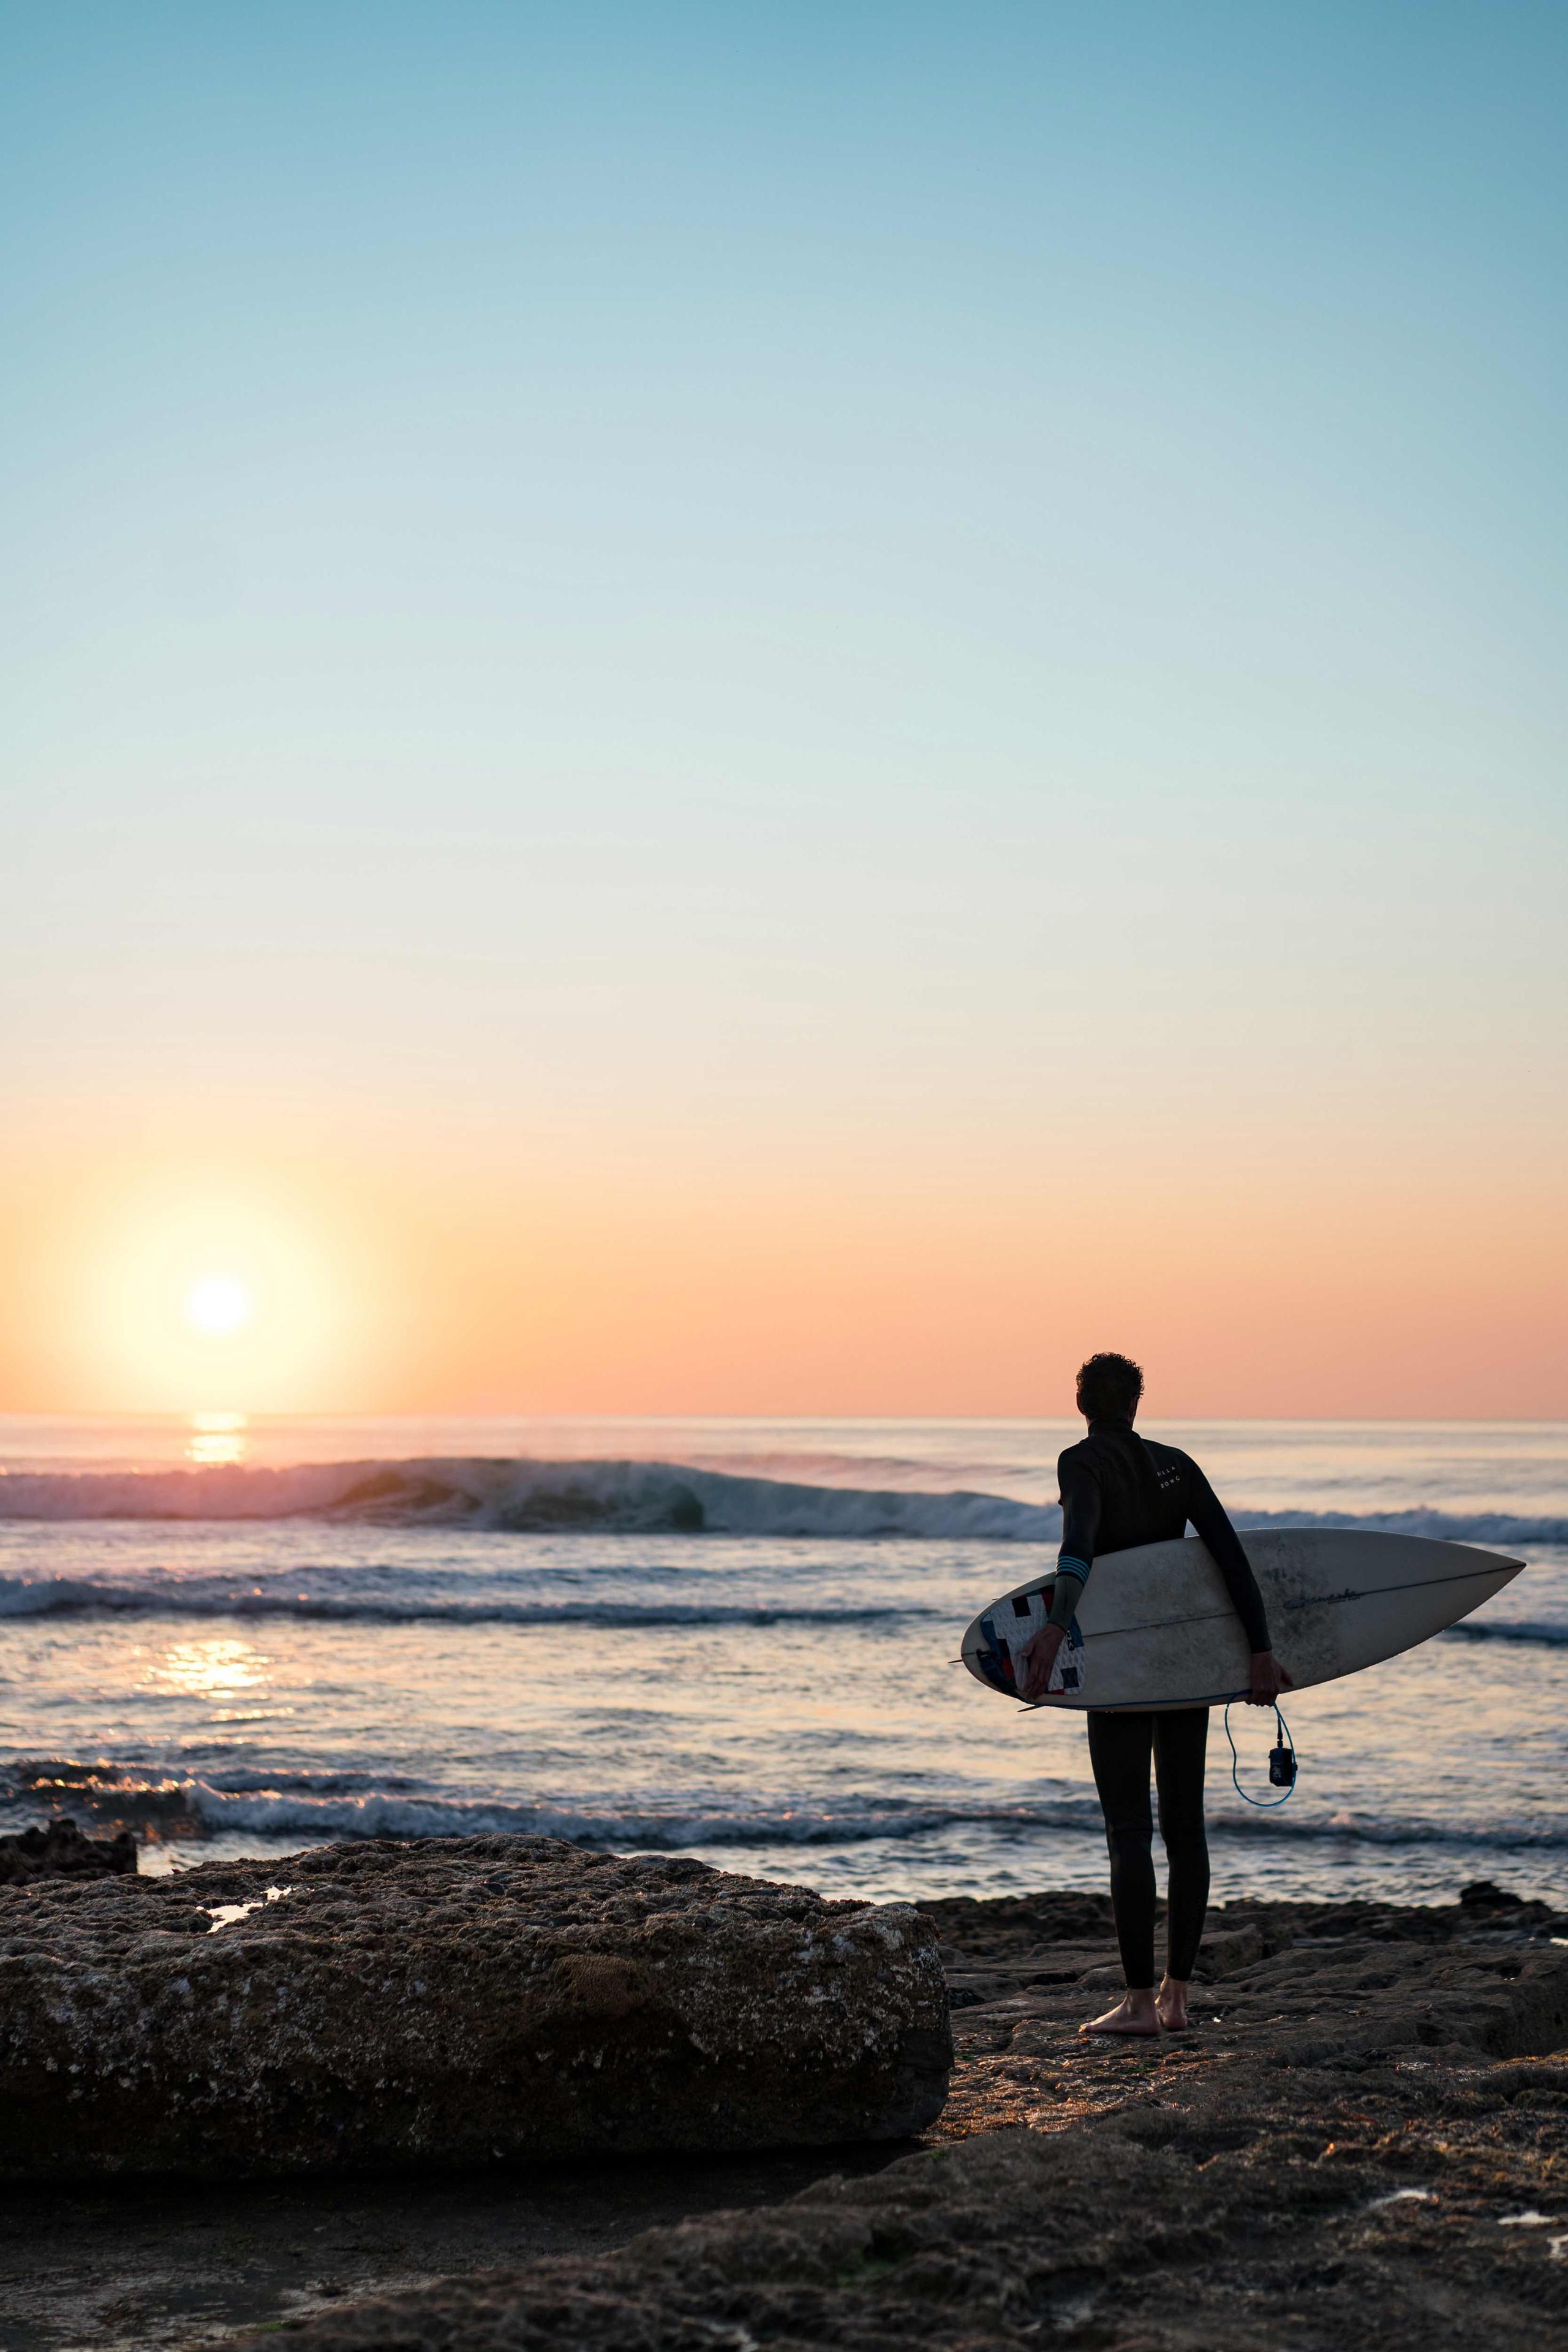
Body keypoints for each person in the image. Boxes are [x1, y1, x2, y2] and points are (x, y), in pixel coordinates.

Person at [1020, 1352, 1290, 2037]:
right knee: (1185, 1828)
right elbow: (1230, 1557)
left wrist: (1055, 1627)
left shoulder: (1081, 1463)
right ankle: (1179, 1997)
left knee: (1128, 1833)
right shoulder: (1176, 1464)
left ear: (1079, 1401)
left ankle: (1139, 2004)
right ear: (1137, 1403)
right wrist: (1259, 1651)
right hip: (1180, 1665)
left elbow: (1076, 1549)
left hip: (1117, 1665)